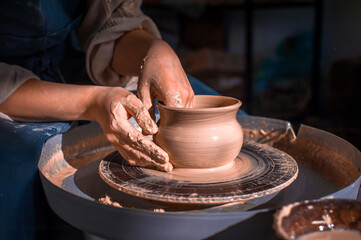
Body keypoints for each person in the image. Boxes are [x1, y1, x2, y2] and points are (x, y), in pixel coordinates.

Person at [0, 0, 222, 239]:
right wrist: (92, 102)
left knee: (222, 116)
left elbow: (110, 24)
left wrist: (152, 51)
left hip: (79, 62)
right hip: (13, 89)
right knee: (20, 178)